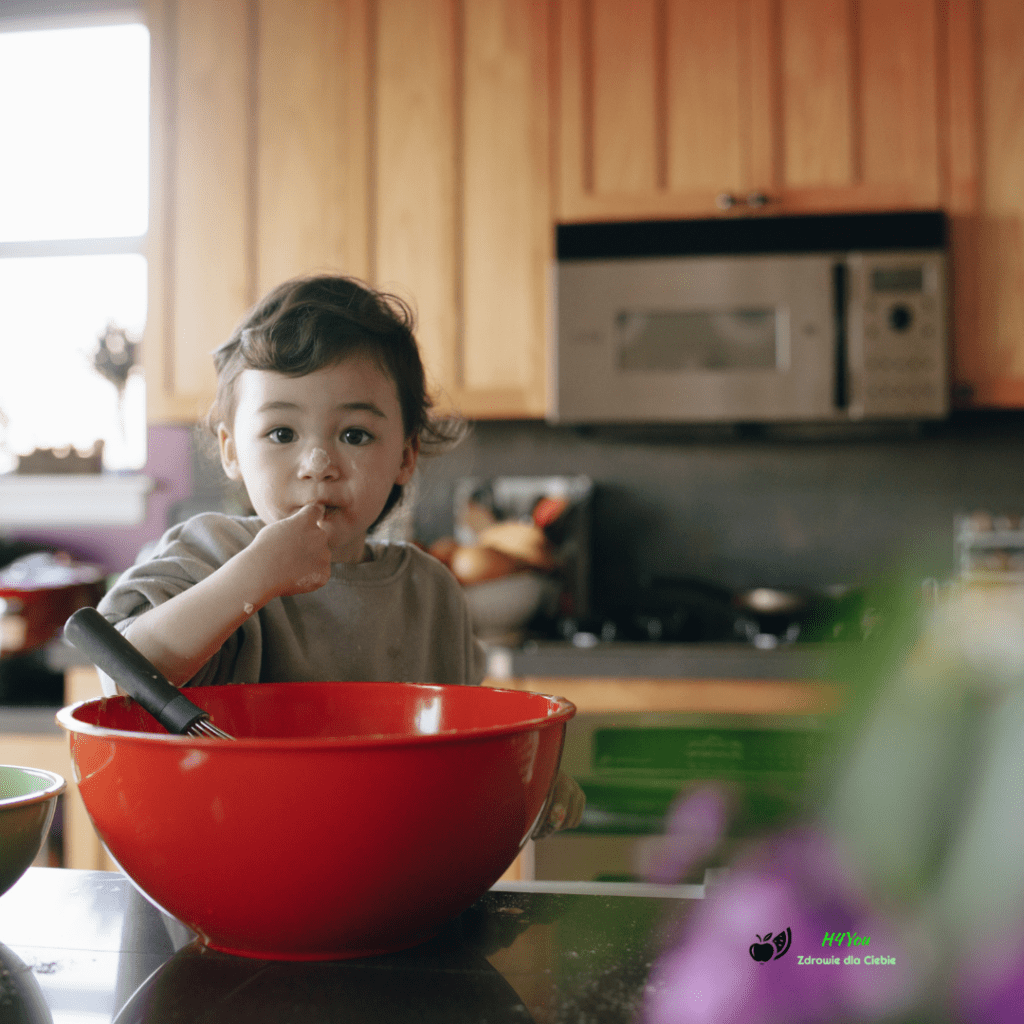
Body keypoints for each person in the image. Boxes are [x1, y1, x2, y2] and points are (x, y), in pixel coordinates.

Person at [97, 273, 583, 836]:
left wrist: (521, 785)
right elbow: (121, 670)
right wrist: (252, 577)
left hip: (387, 882)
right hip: (223, 865)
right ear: (231, 451)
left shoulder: (429, 593)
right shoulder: (212, 552)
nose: (318, 462)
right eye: (281, 434)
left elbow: (456, 762)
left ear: (405, 457)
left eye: (355, 435)